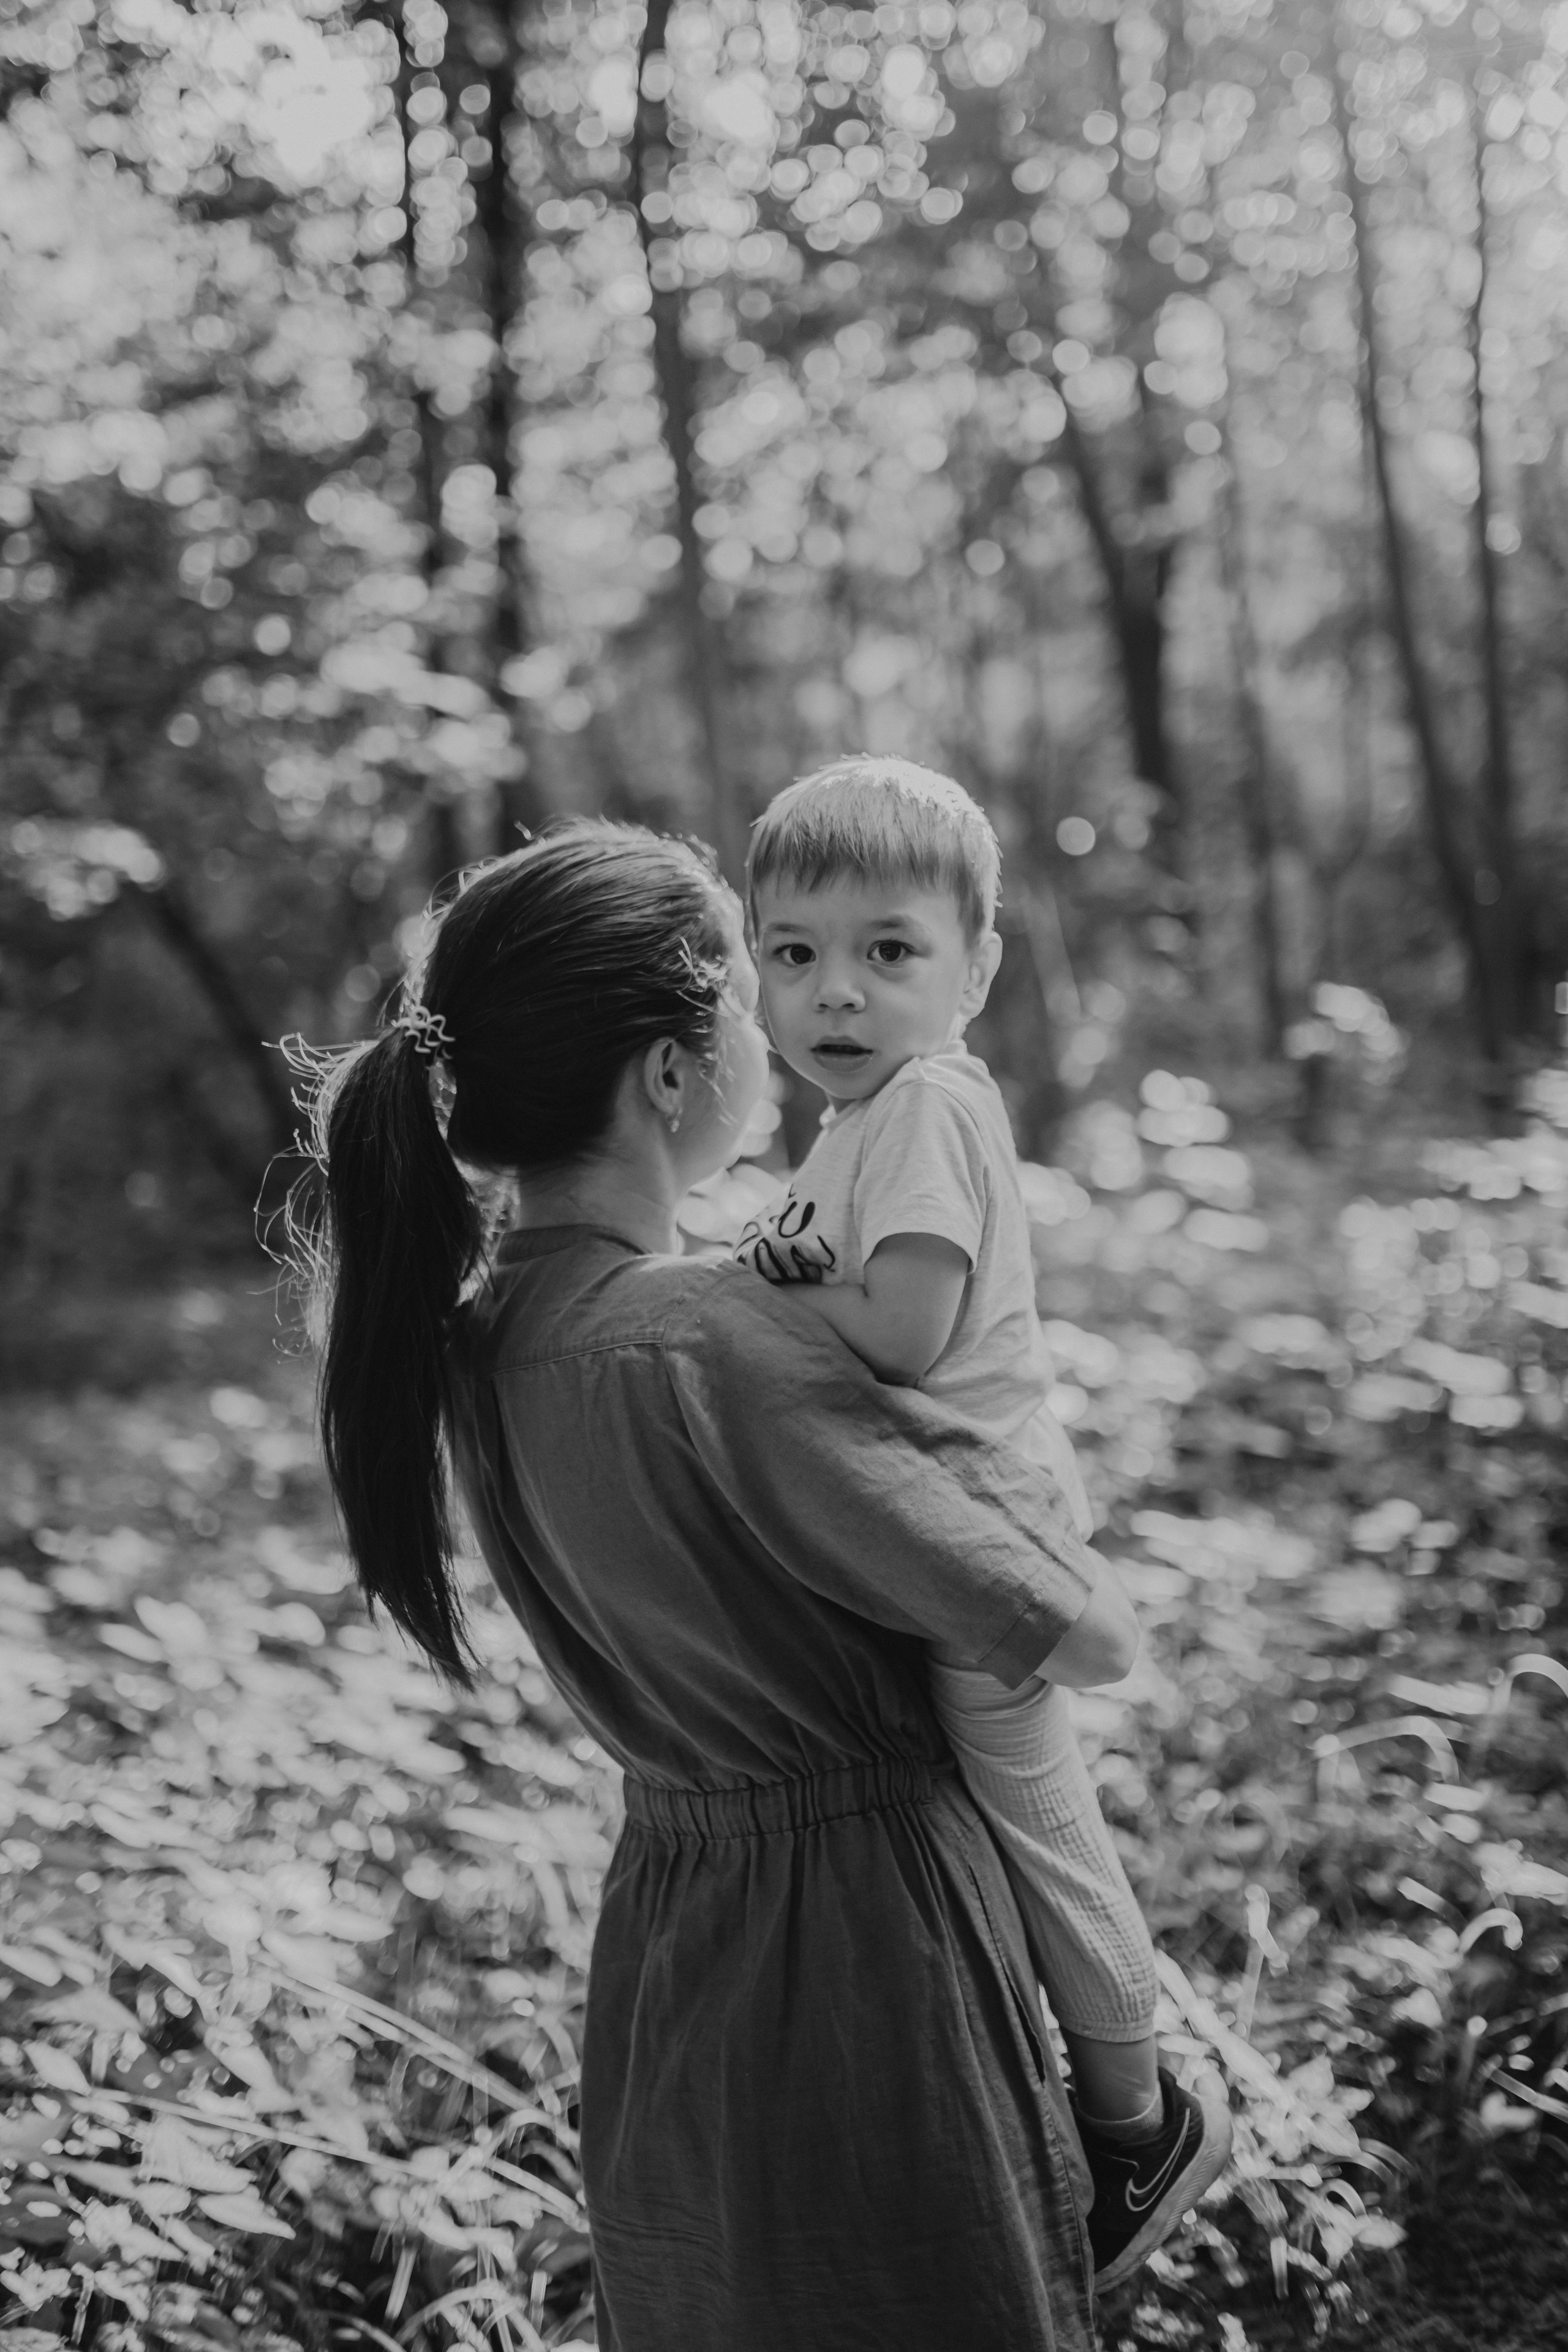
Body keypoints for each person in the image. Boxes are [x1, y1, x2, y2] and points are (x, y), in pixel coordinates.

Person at [292, 819, 1144, 2352]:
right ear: (672, 1079)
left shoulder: (476, 1348)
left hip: (670, 1974)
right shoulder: (709, 1339)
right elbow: (1078, 1634)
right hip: (878, 1974)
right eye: (758, 991)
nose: (790, 1021)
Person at [735, 756, 1231, 2288]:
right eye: (793, 952)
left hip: (980, 1531)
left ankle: (1139, 2120)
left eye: (888, 949)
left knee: (1033, 1811)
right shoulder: (853, 1123)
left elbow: (901, 1332)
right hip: (920, 1524)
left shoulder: (926, 1104)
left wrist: (758, 1300)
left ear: (975, 970)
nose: (835, 990)